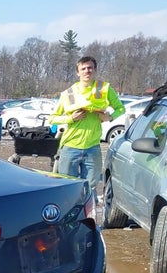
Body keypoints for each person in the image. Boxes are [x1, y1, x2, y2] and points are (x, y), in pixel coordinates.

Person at [49, 56, 124, 204]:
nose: (87, 71)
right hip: (70, 147)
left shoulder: (104, 88)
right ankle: (68, 220)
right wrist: (71, 118)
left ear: (95, 70)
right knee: (68, 186)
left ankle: (90, 221)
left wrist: (109, 117)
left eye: (90, 68)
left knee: (90, 187)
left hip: (92, 148)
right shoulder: (68, 93)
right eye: (83, 68)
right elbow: (53, 118)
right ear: (78, 72)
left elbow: (120, 108)